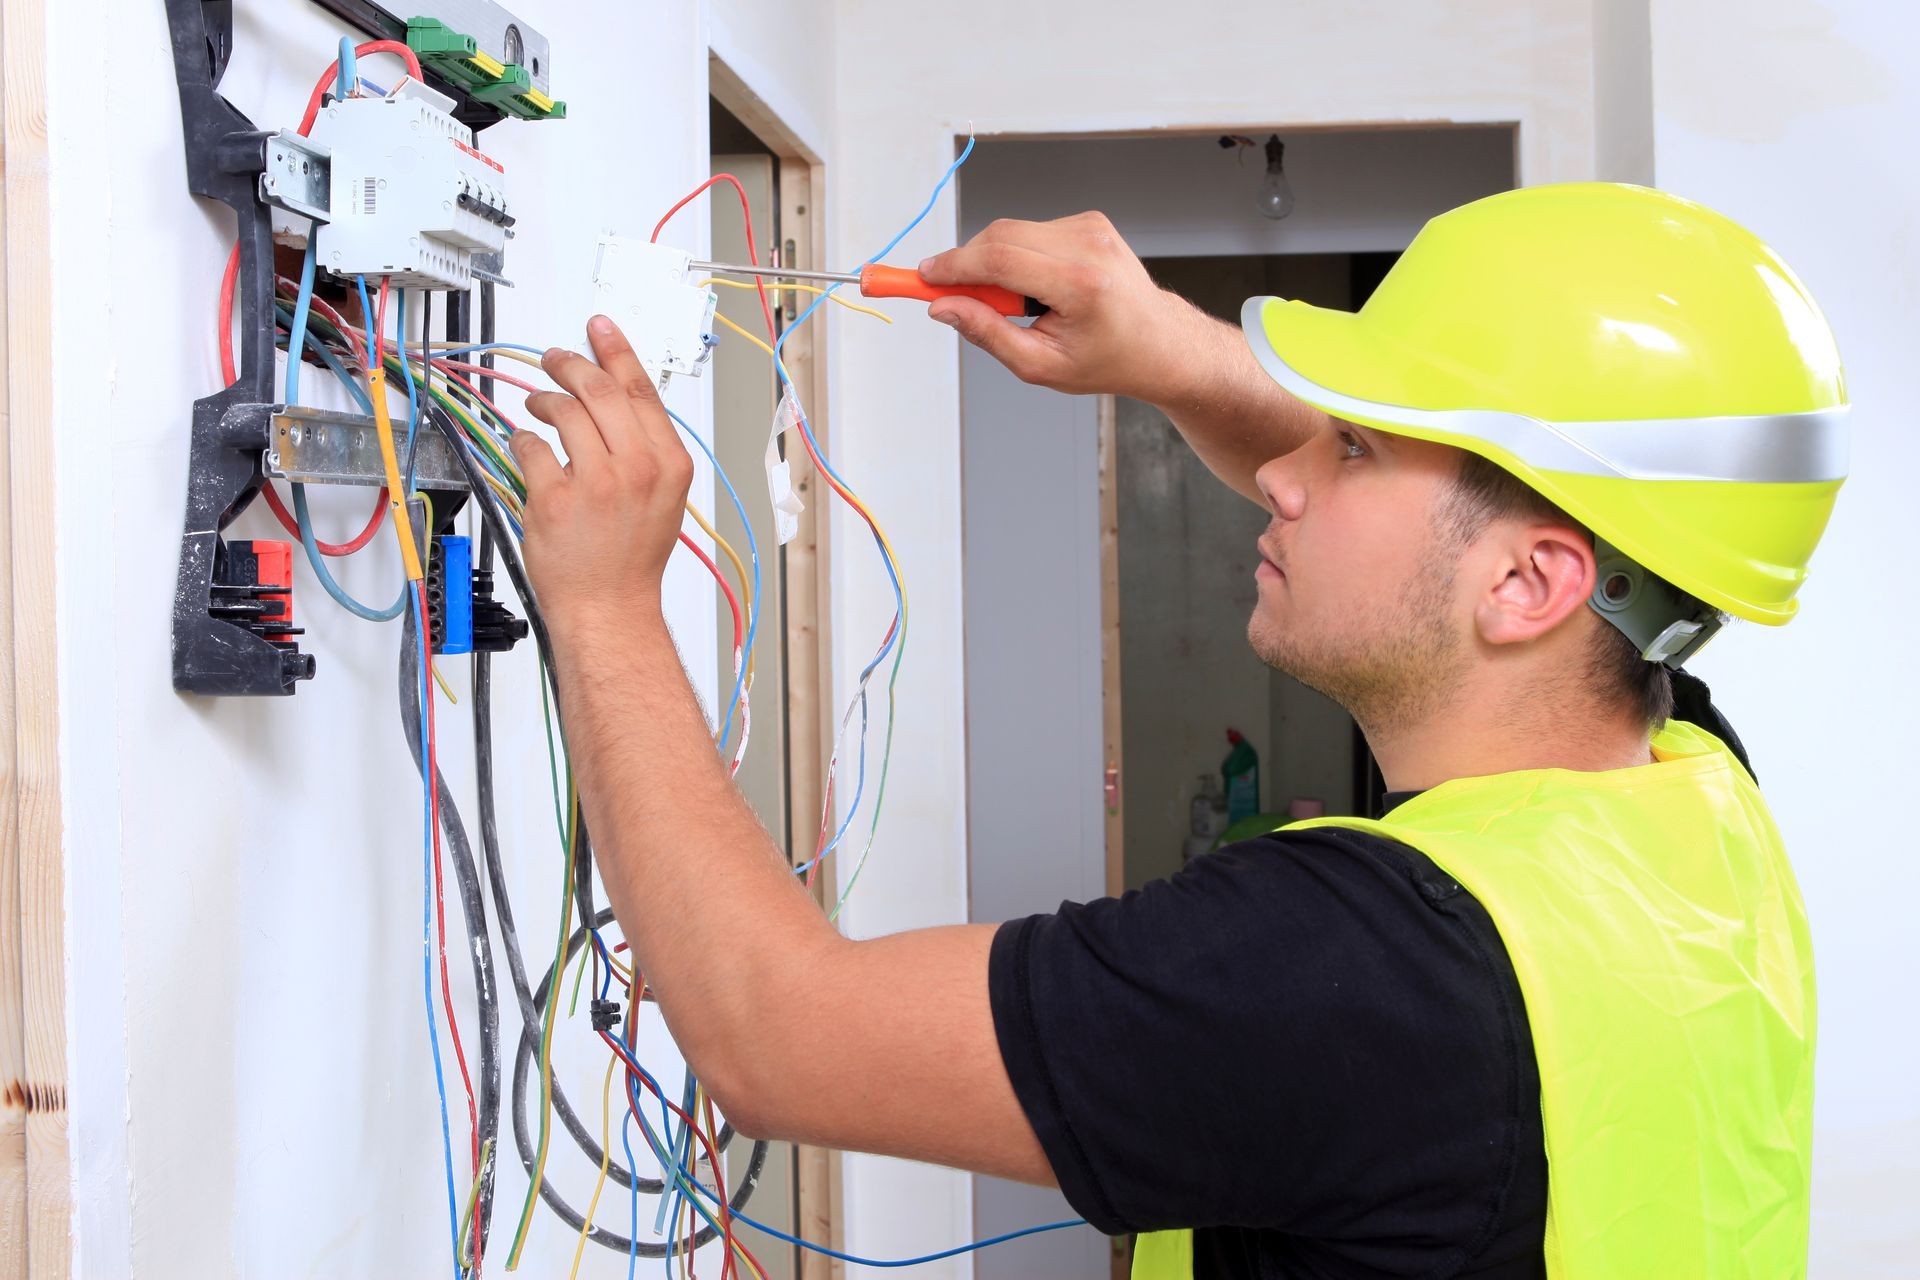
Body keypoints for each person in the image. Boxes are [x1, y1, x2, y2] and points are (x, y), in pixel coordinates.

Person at [507, 183, 1846, 1279]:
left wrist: (608, 601)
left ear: (1532, 585)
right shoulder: (1690, 802)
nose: (1281, 471)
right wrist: (1162, 345)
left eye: (1354, 447)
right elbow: (1475, 519)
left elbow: (774, 1032)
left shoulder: (1356, 968)